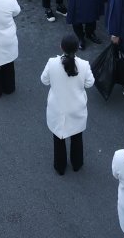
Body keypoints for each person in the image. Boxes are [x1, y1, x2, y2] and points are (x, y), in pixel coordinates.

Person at [41, 33, 96, 175]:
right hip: (76, 109)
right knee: (77, 137)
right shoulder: (84, 65)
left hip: (57, 108)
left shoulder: (52, 63)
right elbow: (90, 83)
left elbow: (44, 80)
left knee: (58, 138)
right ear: (77, 48)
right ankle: (77, 164)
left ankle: (60, 167)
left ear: (61, 47)